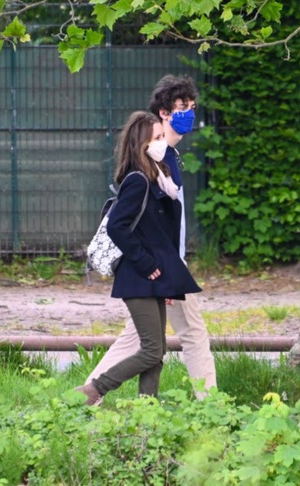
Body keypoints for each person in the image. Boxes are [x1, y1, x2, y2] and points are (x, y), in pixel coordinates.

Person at [84, 75, 217, 400]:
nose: (189, 113)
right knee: (192, 335)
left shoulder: (167, 158)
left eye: (192, 107)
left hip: (164, 266)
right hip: (158, 267)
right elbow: (140, 226)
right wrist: (169, 270)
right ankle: (213, 406)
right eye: (181, 107)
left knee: (140, 342)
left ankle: (90, 399)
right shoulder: (156, 161)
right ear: (163, 113)